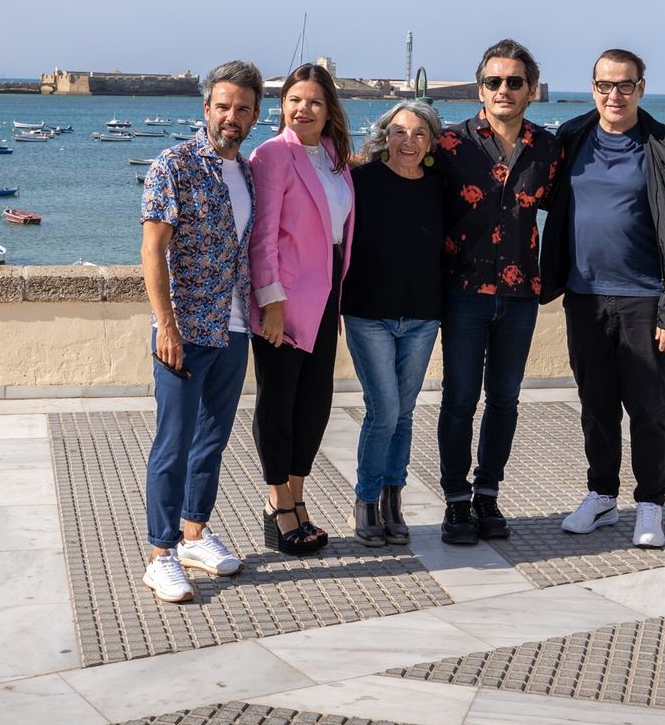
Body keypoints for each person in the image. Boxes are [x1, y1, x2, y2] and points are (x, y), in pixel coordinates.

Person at [539, 48, 665, 548]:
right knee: (596, 405)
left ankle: (650, 505)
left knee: (650, 409)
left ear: (641, 87)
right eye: (605, 85)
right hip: (585, 297)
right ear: (593, 87)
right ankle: (602, 496)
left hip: (645, 300)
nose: (614, 95)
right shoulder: (570, 139)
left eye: (625, 85)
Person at [137, 60, 263, 603]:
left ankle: (194, 533)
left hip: (234, 326)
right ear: (206, 109)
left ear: (255, 115)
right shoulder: (175, 165)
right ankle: (161, 554)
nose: (230, 116)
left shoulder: (250, 173)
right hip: (185, 330)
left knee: (212, 439)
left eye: (241, 108)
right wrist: (166, 325)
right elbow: (152, 249)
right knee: (174, 442)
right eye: (222, 105)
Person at [436, 39, 562, 544]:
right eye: (494, 82)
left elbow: (576, 211)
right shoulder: (449, 145)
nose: (504, 89)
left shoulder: (549, 149)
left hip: (519, 295)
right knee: (460, 399)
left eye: (514, 81)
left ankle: (487, 495)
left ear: (531, 90)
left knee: (505, 399)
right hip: (462, 291)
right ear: (479, 89)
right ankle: (455, 502)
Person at [248, 62, 356, 555]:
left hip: (327, 298)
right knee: (279, 404)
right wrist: (270, 302)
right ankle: (278, 505)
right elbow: (263, 236)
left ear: (329, 108)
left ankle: (298, 496)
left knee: (314, 407)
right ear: (282, 105)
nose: (302, 109)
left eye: (313, 101)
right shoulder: (272, 155)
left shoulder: (334, 155)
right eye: (294, 100)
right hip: (285, 302)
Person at [341, 100, 444, 546]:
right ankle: (365, 501)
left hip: (423, 315)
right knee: (383, 410)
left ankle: (392, 500)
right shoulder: (360, 180)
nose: (409, 141)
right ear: (386, 135)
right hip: (368, 313)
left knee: (403, 413)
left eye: (419, 133)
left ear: (431, 142)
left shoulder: (440, 186)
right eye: (400, 131)